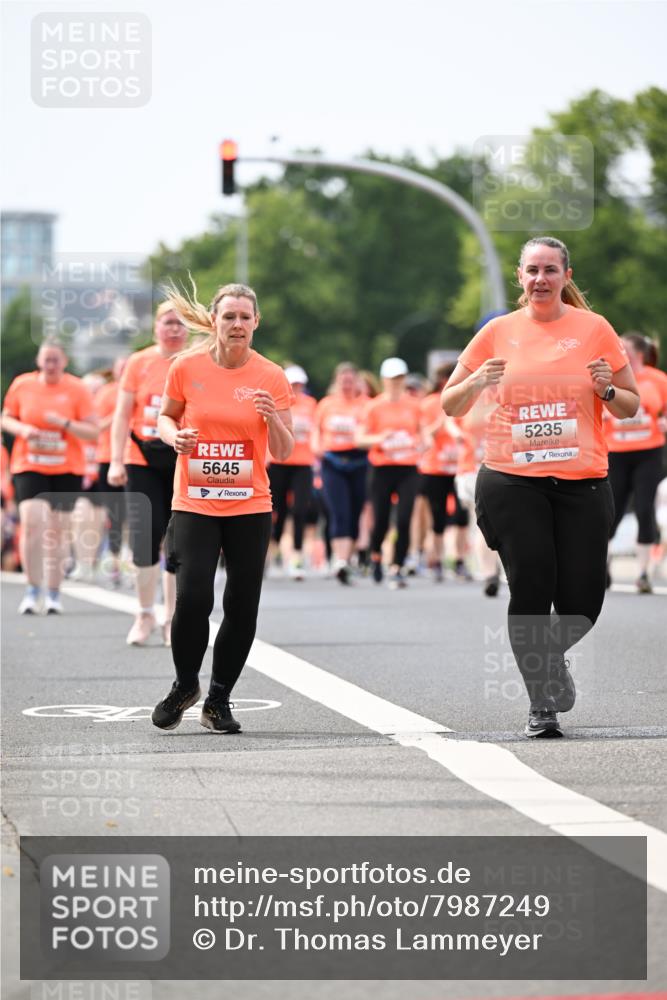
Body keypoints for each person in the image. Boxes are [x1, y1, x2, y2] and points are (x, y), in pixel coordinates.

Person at [442, 235, 639, 739]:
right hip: (512, 480)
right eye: (532, 270)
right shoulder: (497, 332)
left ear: (566, 276)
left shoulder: (593, 329)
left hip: (582, 483)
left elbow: (630, 405)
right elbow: (450, 403)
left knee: (584, 600)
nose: (540, 279)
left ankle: (549, 656)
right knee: (531, 585)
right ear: (520, 276)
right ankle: (540, 704)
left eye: (550, 270)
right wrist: (477, 382)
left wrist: (606, 389)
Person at [151, 281, 293, 734]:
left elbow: (285, 450)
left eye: (245, 317)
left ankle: (218, 699)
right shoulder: (186, 367)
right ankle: (184, 685)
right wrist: (174, 436)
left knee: (242, 604)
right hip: (194, 501)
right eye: (229, 316)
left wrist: (272, 418)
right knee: (193, 597)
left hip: (249, 504)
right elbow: (165, 416)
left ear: (256, 323)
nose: (237, 324)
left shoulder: (271, 375)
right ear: (214, 320)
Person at [108, 305, 189, 645]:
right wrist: (115, 461)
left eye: (180, 324)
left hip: (182, 456)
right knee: (145, 535)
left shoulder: (195, 361)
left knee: (178, 539)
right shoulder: (139, 363)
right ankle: (144, 614)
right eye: (168, 322)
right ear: (156, 327)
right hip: (141, 455)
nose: (174, 329)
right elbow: (122, 414)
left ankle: (171, 618)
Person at [1, 341, 98, 614]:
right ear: (38, 361)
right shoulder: (23, 385)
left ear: (64, 361)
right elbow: (5, 418)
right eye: (46, 359)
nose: (51, 365)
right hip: (29, 463)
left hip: (67, 467)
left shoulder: (77, 389)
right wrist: (23, 430)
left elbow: (93, 431)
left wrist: (64, 423)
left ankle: (54, 593)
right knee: (32, 524)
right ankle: (32, 590)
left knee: (57, 530)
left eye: (56, 359)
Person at [605, 332, 667, 593]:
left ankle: (643, 573)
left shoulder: (657, 379)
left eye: (623, 348)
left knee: (644, 508)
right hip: (616, 453)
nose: (618, 352)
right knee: (612, 511)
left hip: (648, 453)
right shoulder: (609, 379)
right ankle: (603, 564)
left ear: (638, 354)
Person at [358, 357, 423, 589]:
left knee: (404, 519)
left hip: (408, 468)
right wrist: (380, 438)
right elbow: (359, 438)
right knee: (382, 520)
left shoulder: (414, 405)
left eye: (400, 378)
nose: (396, 382)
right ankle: (376, 555)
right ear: (384, 380)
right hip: (382, 469)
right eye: (392, 378)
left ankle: (397, 566)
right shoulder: (373, 407)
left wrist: (421, 443)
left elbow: (423, 434)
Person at [312, 362, 369, 584]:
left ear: (357, 382)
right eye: (343, 381)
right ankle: (341, 560)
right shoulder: (326, 404)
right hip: (332, 461)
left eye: (350, 381)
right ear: (336, 382)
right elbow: (316, 430)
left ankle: (348, 558)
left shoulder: (366, 405)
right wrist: (316, 447)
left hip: (359, 461)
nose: (346, 385)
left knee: (355, 511)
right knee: (339, 511)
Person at [267, 364, 316, 580]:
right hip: (279, 461)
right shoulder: (277, 401)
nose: (296, 388)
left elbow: (317, 430)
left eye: (299, 384)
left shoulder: (311, 404)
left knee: (300, 508)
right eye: (292, 384)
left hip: (303, 463)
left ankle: (296, 555)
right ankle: (272, 549)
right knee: (277, 510)